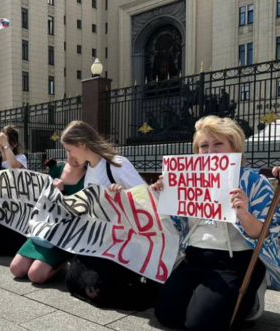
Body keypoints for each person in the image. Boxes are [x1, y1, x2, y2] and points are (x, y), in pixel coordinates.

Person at [152, 116, 280, 330]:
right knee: (166, 315)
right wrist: (163, 194)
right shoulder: (187, 178)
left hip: (235, 263)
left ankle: (250, 297)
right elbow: (175, 224)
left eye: (218, 143)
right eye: (204, 145)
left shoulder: (254, 181)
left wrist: (244, 214)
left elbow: (267, 233)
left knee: (200, 325)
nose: (211, 151)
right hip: (194, 258)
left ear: (235, 147)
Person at [60, 120, 159, 310]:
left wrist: (122, 197)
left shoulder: (116, 165)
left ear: (82, 144)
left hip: (124, 241)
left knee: (94, 289)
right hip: (101, 240)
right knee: (72, 281)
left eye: (70, 149)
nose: (69, 155)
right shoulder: (89, 168)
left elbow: (146, 199)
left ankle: (145, 288)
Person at [10, 155, 86, 283]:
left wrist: (62, 194)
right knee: (16, 269)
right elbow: (43, 200)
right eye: (69, 151)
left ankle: (64, 260)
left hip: (64, 235)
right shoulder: (57, 169)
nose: (74, 159)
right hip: (44, 230)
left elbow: (81, 211)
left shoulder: (90, 176)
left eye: (77, 154)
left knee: (36, 276)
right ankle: (47, 262)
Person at [0, 125, 28, 256]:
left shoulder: (20, 158)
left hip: (15, 208)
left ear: (13, 144)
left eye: (5, 142)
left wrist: (6, 145)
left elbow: (13, 166)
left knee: (14, 249)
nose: (1, 145)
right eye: (0, 142)